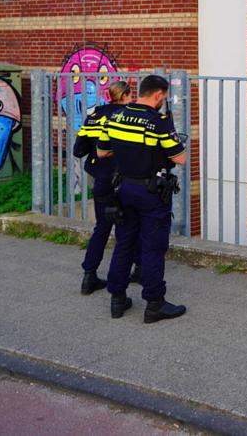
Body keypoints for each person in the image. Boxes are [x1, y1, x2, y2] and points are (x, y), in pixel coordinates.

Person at [97, 75, 188, 323]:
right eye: (164, 97)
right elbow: (180, 159)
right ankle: (154, 303)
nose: (163, 101)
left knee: (124, 243)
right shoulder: (158, 122)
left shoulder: (115, 117)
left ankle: (117, 299)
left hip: (123, 188)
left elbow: (102, 152)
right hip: (151, 193)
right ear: (158, 95)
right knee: (153, 246)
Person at [72, 80, 141, 295]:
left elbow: (78, 150)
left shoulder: (93, 117)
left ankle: (89, 276)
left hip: (101, 180)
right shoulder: (128, 117)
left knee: (101, 228)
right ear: (125, 96)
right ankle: (136, 271)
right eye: (131, 95)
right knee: (130, 227)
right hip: (125, 180)